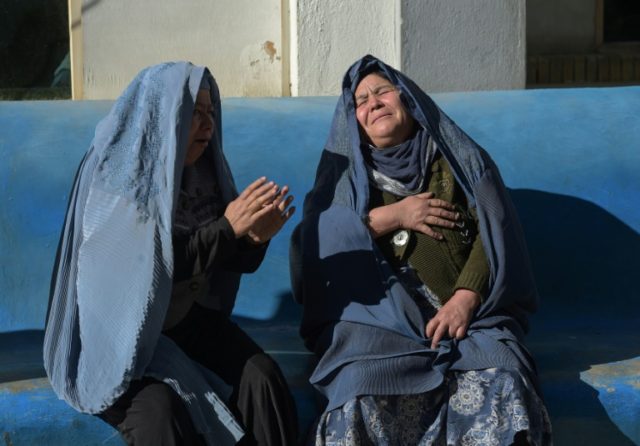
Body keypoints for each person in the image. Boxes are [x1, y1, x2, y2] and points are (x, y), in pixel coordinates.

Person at [290, 55, 552, 445]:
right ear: (353, 122)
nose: (373, 103)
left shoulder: (458, 160)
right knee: (360, 387)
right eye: (360, 101)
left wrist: (465, 297)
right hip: (376, 325)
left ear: (407, 99)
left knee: (503, 374)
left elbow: (494, 231)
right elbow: (312, 245)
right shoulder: (343, 180)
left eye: (382, 92)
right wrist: (394, 216)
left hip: (468, 318)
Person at [44, 62, 298, 445]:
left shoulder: (203, 171)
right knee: (160, 413)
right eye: (194, 112)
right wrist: (229, 230)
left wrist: (252, 239)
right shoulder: (120, 176)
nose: (207, 124)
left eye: (211, 112)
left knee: (261, 377)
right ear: (162, 114)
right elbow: (142, 271)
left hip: (179, 319)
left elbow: (221, 256)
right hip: (115, 332)